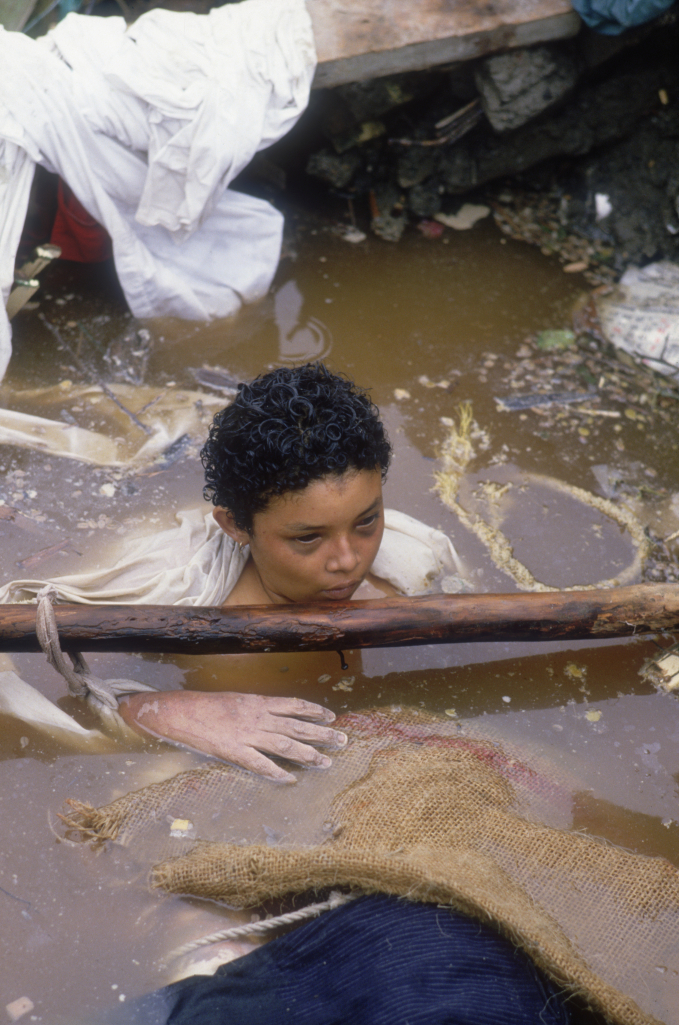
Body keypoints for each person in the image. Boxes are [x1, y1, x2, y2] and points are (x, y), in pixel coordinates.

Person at [115, 363, 460, 780]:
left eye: (366, 522)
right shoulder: (172, 604)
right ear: (236, 526)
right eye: (308, 538)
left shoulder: (414, 565)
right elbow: (56, 685)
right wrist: (161, 710)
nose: (347, 560)